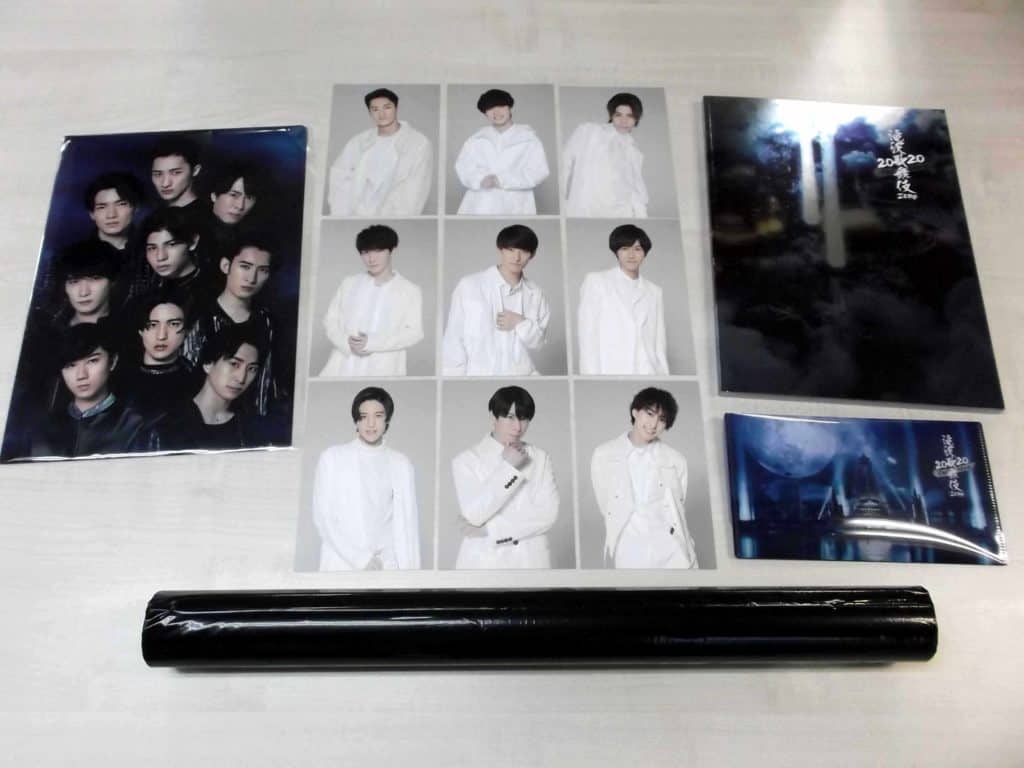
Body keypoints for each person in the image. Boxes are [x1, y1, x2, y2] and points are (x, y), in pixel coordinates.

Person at [312, 386, 421, 570]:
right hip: (341, 564)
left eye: (378, 416)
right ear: (356, 421)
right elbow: (323, 518)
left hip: (387, 566)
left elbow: (407, 526)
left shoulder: (400, 463)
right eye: (364, 417)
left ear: (387, 420)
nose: (371, 424)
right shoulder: (333, 458)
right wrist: (361, 559)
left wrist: (411, 576)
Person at [452, 386, 559, 569]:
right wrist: (509, 468)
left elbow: (548, 514)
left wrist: (490, 530)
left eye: (524, 418)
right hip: (484, 563)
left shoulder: (540, 457)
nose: (518, 427)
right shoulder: (466, 460)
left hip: (531, 562)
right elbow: (474, 515)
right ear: (493, 417)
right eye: (510, 417)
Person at [590, 387, 697, 569]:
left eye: (662, 419)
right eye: (649, 414)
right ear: (635, 412)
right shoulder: (604, 454)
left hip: (671, 550)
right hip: (629, 549)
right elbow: (606, 504)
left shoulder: (675, 460)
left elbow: (677, 505)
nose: (653, 424)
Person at [27, 321, 158, 458]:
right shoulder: (42, 428)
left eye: (92, 361)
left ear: (112, 362)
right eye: (71, 365)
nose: (81, 375)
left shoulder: (136, 426)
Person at [183, 233, 280, 417]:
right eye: (245, 266)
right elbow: (185, 377)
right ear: (226, 266)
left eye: (262, 270)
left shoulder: (267, 321)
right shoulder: (200, 316)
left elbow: (266, 382)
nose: (251, 278)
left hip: (249, 422)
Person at [442, 224, 550, 376]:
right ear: (501, 249)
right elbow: (453, 339)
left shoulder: (536, 294)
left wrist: (520, 322)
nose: (517, 257)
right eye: (511, 250)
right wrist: (455, 379)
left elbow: (538, 343)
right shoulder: (470, 285)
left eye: (524, 251)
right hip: (479, 376)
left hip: (522, 376)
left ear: (532, 254)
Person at [319, 224, 423, 377]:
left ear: (392, 250)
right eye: (365, 252)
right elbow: (330, 320)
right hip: (343, 365)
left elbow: (415, 333)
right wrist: (346, 342)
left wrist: (372, 342)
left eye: (378, 251)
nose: (371, 258)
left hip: (384, 367)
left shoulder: (409, 290)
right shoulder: (349, 283)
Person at [577, 224, 669, 375]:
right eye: (625, 248)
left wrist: (664, 375)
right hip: (612, 368)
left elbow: (659, 342)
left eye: (637, 249)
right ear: (616, 252)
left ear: (644, 253)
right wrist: (590, 376)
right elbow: (588, 335)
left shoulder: (655, 291)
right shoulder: (597, 282)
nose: (631, 255)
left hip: (647, 370)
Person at [327, 87, 433, 216]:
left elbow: (415, 189)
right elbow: (339, 177)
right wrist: (344, 215)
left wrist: (391, 218)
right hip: (356, 215)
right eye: (375, 109)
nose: (381, 114)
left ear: (396, 108)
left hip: (394, 217)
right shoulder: (358, 142)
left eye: (387, 107)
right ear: (369, 112)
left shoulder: (418, 143)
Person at [162, 323, 265, 450]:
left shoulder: (253, 427)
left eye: (252, 369)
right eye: (234, 364)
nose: (241, 378)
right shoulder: (170, 424)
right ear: (208, 364)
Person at [454, 88, 550, 215]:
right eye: (490, 109)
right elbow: (463, 166)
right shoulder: (476, 139)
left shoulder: (528, 139)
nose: (496, 112)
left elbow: (539, 171)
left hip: (516, 203)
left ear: (509, 108)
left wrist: (502, 180)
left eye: (500, 106)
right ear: (485, 113)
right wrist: (480, 179)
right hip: (480, 203)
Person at [562, 92, 649, 218]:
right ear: (611, 115)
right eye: (618, 115)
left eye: (629, 116)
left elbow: (635, 188)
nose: (623, 121)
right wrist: (561, 203)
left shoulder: (634, 151)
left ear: (637, 118)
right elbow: (564, 163)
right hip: (587, 210)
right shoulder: (588, 131)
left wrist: (642, 216)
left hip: (621, 213)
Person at [119, 289, 202, 419]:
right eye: (152, 325)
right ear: (140, 330)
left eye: (173, 324)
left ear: (187, 331)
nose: (161, 336)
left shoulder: (196, 383)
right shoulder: (119, 382)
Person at [150, 136, 207, 231]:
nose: (165, 183)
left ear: (195, 171)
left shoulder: (207, 216)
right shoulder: (153, 218)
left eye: (176, 173)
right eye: (158, 174)